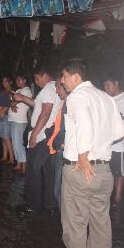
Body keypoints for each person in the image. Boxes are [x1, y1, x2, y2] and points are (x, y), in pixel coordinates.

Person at [60, 58, 124, 248]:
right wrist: (100, 146)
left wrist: (83, 155)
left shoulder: (77, 96)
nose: (62, 81)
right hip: (104, 172)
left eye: (64, 76)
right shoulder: (105, 97)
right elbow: (119, 131)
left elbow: (85, 125)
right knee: (100, 227)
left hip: (81, 171)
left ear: (76, 76)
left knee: (75, 229)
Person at [13, 65, 61, 213]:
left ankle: (33, 205)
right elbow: (38, 105)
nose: (36, 81)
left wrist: (34, 134)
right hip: (49, 135)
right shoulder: (54, 89)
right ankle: (49, 203)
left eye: (37, 78)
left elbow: (45, 112)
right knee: (47, 170)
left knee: (32, 170)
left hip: (41, 136)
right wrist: (22, 98)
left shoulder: (48, 89)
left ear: (44, 75)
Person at [103, 74, 124, 205]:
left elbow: (118, 120)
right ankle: (107, 195)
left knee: (118, 172)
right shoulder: (107, 99)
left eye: (108, 85)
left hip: (118, 143)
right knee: (106, 171)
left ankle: (118, 196)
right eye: (104, 86)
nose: (106, 88)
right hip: (105, 143)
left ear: (116, 83)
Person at [46, 79, 68, 208]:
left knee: (59, 190)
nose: (57, 91)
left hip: (63, 149)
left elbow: (66, 128)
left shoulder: (70, 103)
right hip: (58, 148)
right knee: (58, 188)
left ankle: (65, 224)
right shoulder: (64, 103)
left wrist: (59, 142)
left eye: (59, 87)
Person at [8, 73, 32, 173]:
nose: (17, 81)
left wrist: (13, 103)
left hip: (20, 121)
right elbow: (10, 102)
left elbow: (15, 101)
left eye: (19, 79)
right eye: (17, 79)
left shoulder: (27, 91)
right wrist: (12, 104)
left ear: (24, 80)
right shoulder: (18, 91)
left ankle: (24, 165)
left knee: (19, 143)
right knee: (15, 143)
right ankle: (18, 163)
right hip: (13, 119)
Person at [0, 75, 14, 165]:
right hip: (0, 116)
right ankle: (4, 156)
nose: (4, 83)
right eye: (3, 82)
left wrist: (2, 110)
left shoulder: (12, 93)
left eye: (6, 81)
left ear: (10, 82)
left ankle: (12, 158)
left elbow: (10, 104)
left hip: (6, 117)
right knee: (3, 137)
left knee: (6, 137)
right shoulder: (2, 92)